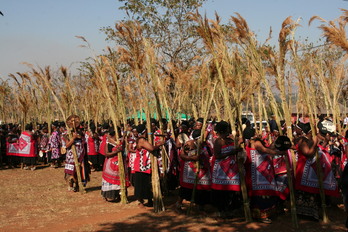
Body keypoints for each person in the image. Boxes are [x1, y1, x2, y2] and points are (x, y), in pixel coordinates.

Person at [245, 130, 286, 224]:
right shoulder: (255, 142)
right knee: (261, 194)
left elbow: (268, 148)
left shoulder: (256, 142)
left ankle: (265, 214)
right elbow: (264, 150)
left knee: (267, 193)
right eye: (256, 132)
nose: (259, 132)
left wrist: (276, 142)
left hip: (263, 174)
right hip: (258, 174)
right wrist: (279, 153)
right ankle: (261, 215)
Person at [211, 121, 242, 218]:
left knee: (232, 191)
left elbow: (240, 143)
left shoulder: (231, 140)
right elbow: (217, 155)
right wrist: (231, 152)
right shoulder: (218, 141)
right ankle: (221, 211)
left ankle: (230, 209)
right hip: (221, 170)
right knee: (221, 192)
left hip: (232, 170)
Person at [175, 129, 212, 213]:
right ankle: (178, 204)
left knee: (202, 188)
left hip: (202, 170)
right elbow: (182, 155)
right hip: (190, 169)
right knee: (186, 188)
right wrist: (192, 158)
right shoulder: (189, 144)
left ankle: (200, 206)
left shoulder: (205, 144)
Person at [134, 124, 164, 207]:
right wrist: (159, 144)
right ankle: (140, 201)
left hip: (147, 165)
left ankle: (150, 199)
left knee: (148, 183)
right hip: (141, 165)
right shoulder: (141, 140)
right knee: (141, 183)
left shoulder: (146, 139)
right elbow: (151, 148)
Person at [101, 129, 130, 202]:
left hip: (120, 163)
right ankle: (110, 195)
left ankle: (121, 195)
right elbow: (106, 153)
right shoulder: (109, 142)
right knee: (111, 180)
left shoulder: (120, 141)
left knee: (121, 179)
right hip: (111, 164)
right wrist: (116, 152)